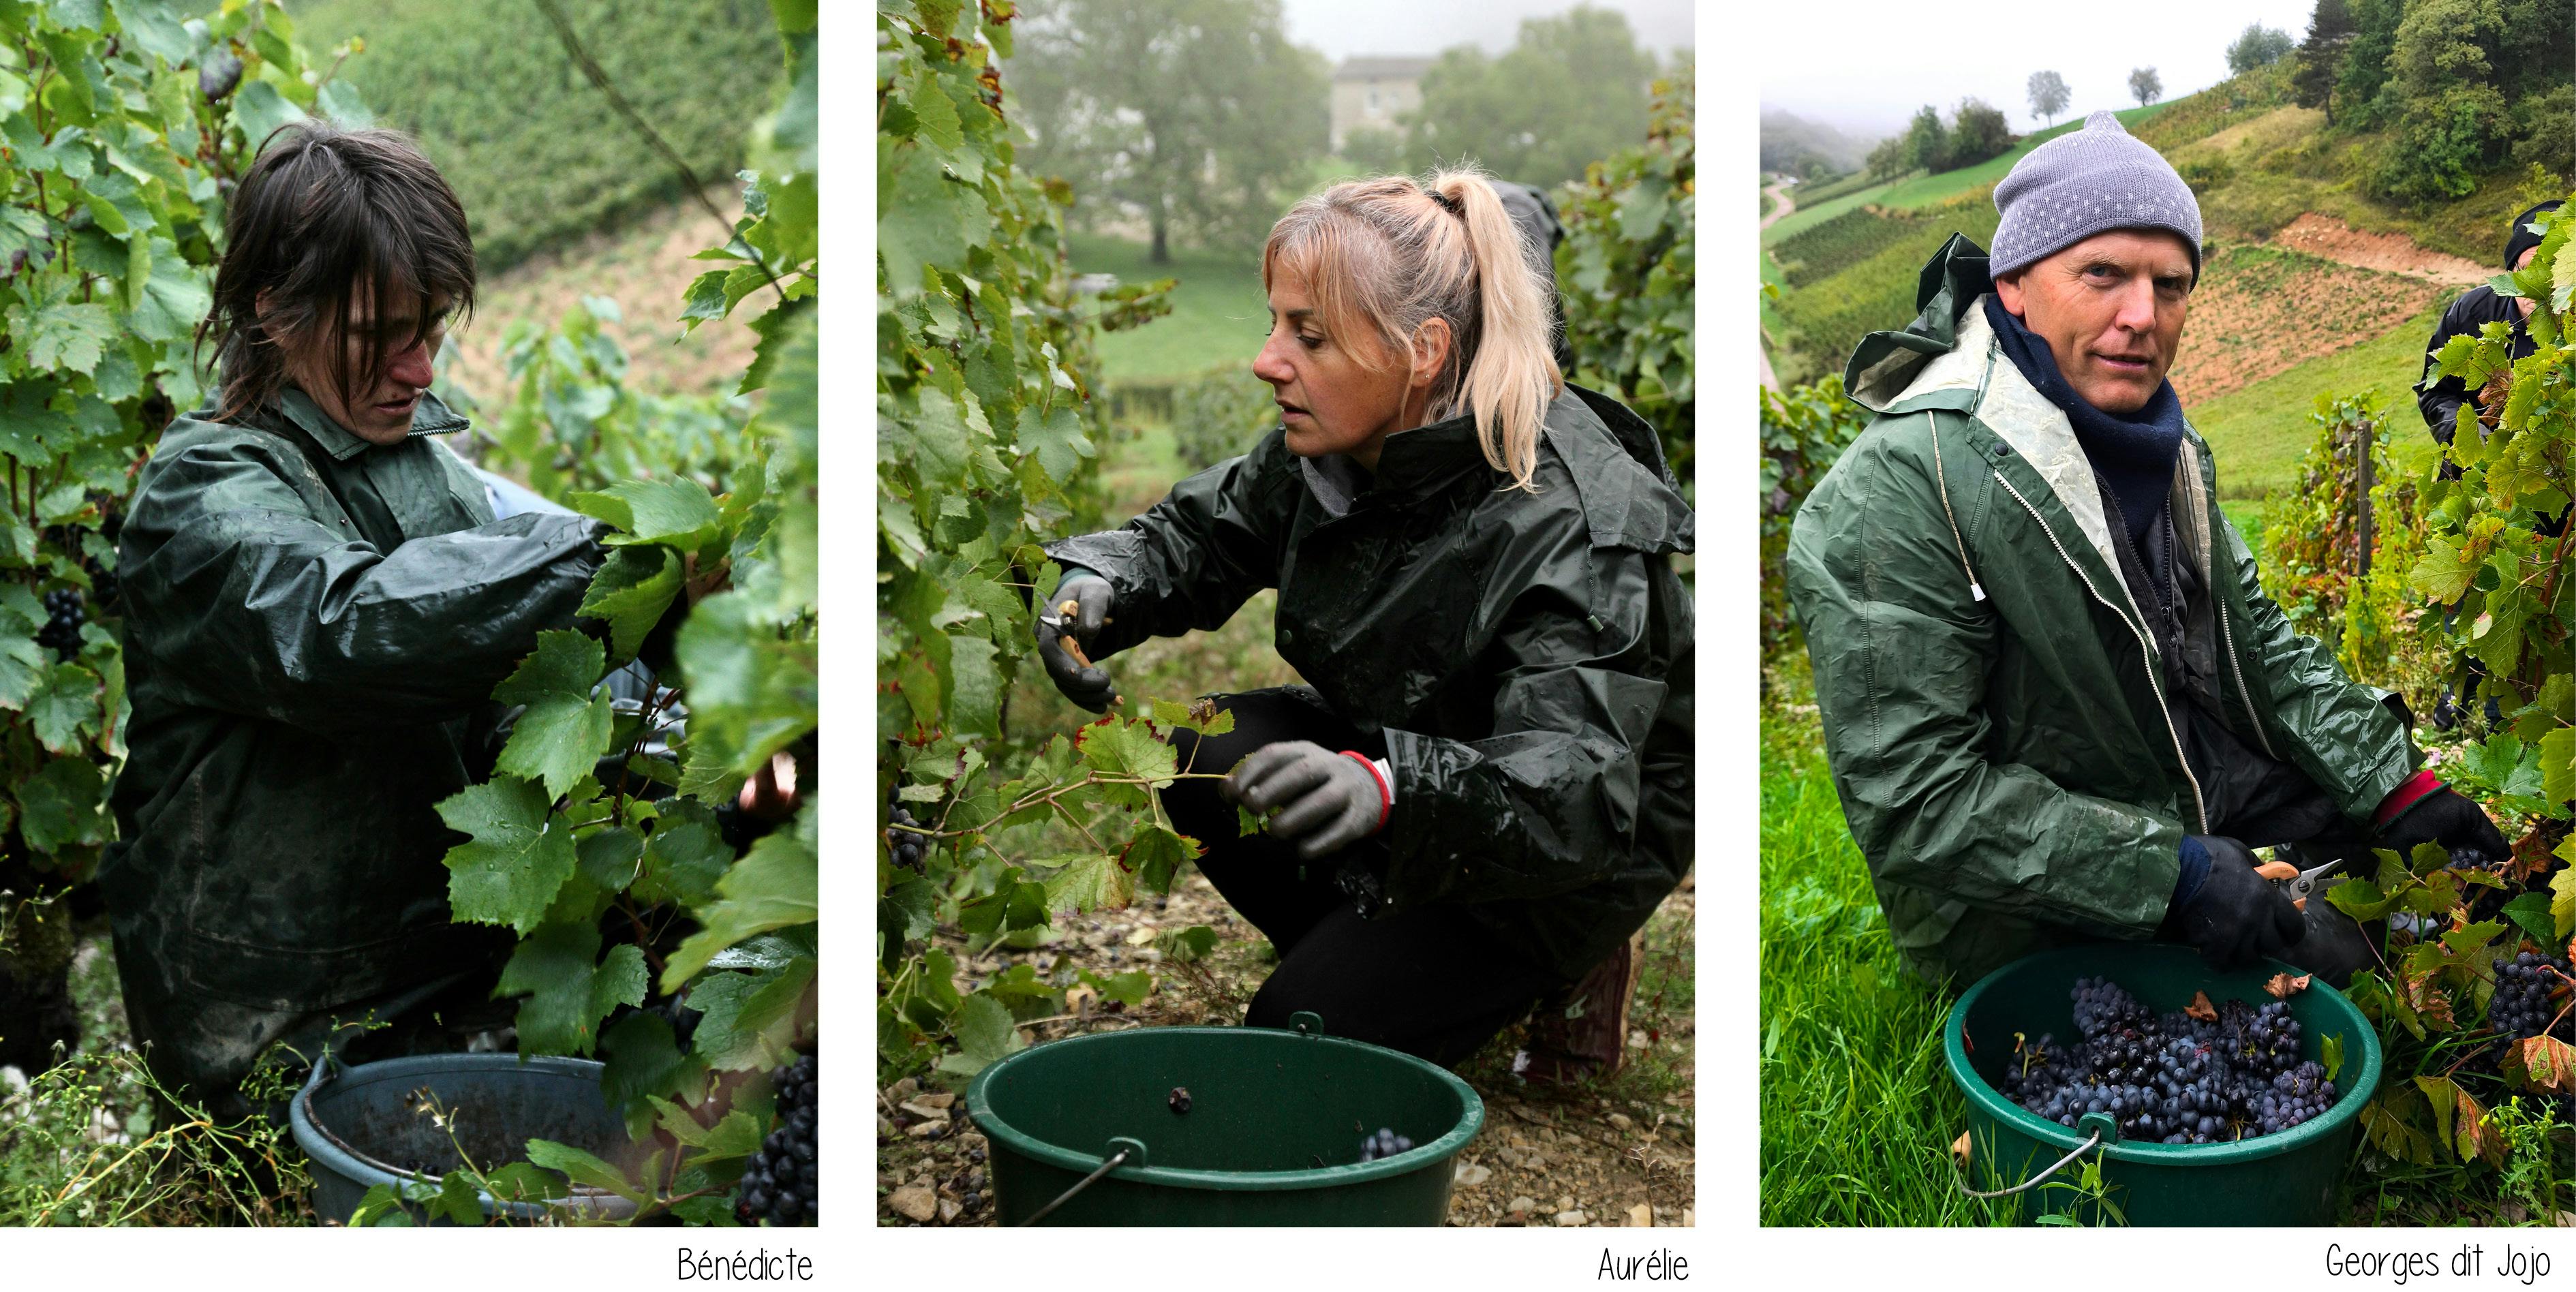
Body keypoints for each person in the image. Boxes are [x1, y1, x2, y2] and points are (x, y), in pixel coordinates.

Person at [1784, 112, 2509, 991]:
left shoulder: (2163, 442)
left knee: (2419, 886)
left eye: (2170, 285)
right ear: (2014, 284)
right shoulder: (1902, 485)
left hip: (2168, 780)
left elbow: (2261, 647)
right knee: (2334, 970)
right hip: (2019, 906)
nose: (2142, 316)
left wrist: (2396, 785)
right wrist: (2171, 875)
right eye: (2103, 273)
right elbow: (1916, 800)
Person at [1031, 169, 1693, 1078]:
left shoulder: (1571, 520)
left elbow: (1577, 785)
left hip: (1561, 853)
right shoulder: (1334, 446)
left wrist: (1391, 790)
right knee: (1204, 756)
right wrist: (1104, 577)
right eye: (1275, 324)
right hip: (1404, 760)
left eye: (1308, 336)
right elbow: (1203, 535)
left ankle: (1544, 966)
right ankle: (1378, 960)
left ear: (1421, 350)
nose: (1269, 360)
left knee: (1298, 1034)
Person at [100, 122, 617, 1120]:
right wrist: (614, 567)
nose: (420, 372)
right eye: (380, 339)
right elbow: (339, 632)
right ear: (273, 314)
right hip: (274, 1027)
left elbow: (504, 672)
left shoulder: (424, 467)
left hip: (446, 977)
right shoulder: (199, 493)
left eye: (430, 331)